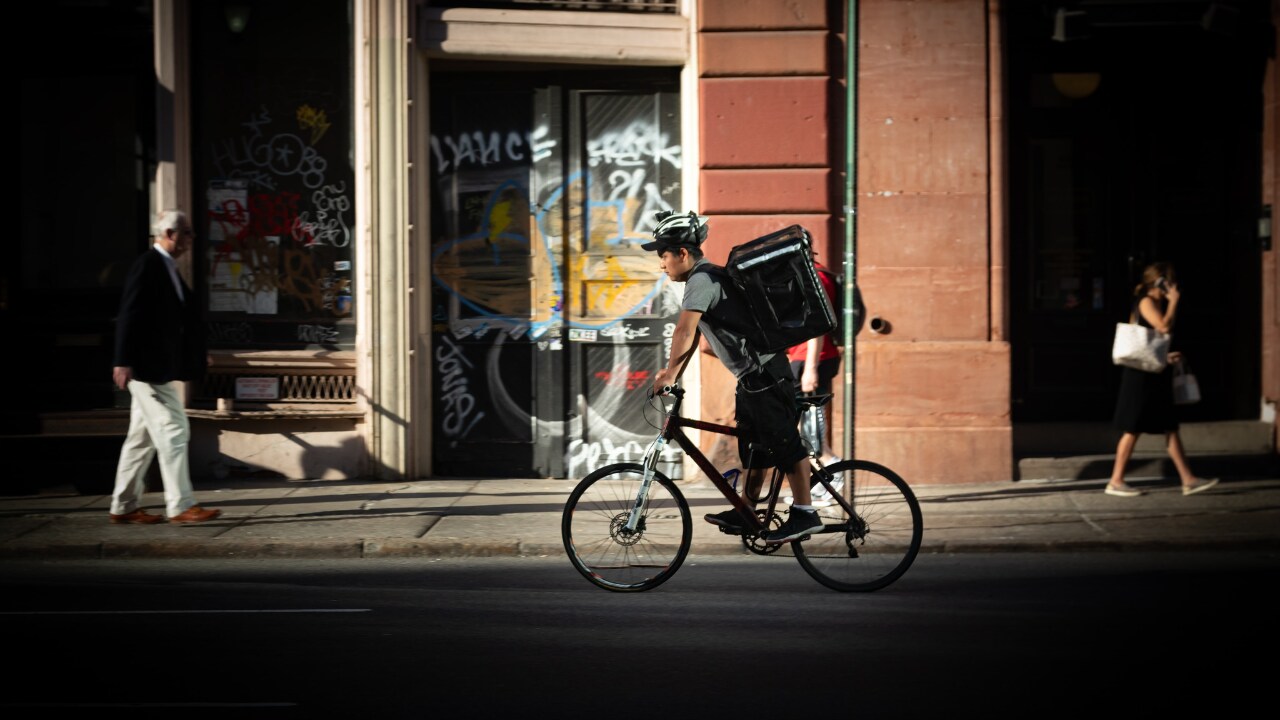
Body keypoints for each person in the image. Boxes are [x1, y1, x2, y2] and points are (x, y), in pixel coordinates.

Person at [647, 210, 821, 544]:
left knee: (784, 442)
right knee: (755, 448)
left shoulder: (701, 280)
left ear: (683, 253)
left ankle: (804, 513)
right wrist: (675, 374)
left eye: (663, 256)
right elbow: (696, 335)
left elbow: (685, 330)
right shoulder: (707, 278)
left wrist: (669, 373)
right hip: (753, 378)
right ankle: (747, 511)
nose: (661, 264)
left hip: (767, 374)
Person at [108, 210, 222, 524]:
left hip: (155, 367)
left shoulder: (167, 267)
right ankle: (181, 505)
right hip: (145, 369)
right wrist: (122, 360)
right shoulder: (148, 265)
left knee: (140, 439)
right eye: (187, 233)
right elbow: (129, 313)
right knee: (174, 430)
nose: (191, 239)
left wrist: (198, 353)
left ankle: (123, 506)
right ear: (171, 233)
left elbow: (178, 321)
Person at [1105, 261, 1218, 498]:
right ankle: (1115, 481)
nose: (1172, 286)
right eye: (1168, 281)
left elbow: (1153, 340)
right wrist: (1175, 301)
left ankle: (1188, 479)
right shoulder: (1146, 301)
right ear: (1159, 282)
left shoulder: (1154, 303)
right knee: (1132, 428)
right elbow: (1163, 327)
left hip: (1154, 372)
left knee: (1169, 426)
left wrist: (1165, 356)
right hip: (1140, 376)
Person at [786, 252, 843, 505]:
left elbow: (816, 325)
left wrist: (810, 368)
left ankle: (833, 468)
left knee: (809, 427)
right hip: (806, 358)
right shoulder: (814, 275)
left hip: (813, 359)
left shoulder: (816, 278)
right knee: (802, 427)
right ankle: (822, 483)